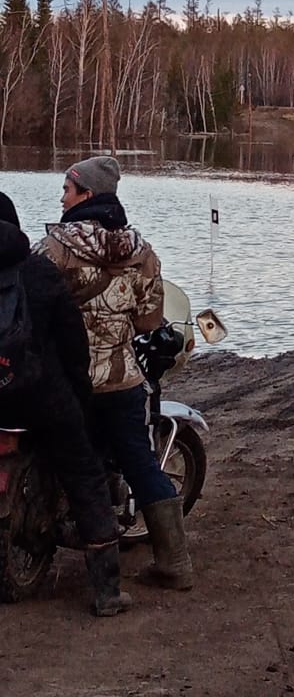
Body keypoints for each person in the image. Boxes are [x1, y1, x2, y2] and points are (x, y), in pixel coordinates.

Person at [34, 156, 193, 591]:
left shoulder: (54, 249)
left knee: (68, 460)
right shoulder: (140, 252)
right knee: (140, 463)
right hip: (121, 380)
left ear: (86, 195)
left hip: (69, 381)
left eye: (67, 190)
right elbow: (148, 321)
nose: (62, 198)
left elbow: (32, 306)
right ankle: (175, 563)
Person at [0, 193, 131, 616]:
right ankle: (107, 593)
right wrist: (79, 391)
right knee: (85, 475)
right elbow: (73, 341)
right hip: (42, 396)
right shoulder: (40, 270)